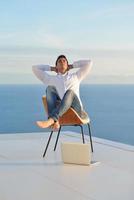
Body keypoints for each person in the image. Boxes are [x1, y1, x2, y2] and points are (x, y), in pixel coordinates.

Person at [32, 55, 93, 130]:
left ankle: (51, 119)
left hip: (76, 110)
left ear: (67, 65)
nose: (62, 62)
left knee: (70, 92)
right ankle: (55, 121)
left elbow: (89, 63)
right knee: (49, 88)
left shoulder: (76, 76)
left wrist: (72, 66)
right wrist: (51, 68)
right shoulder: (51, 79)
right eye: (59, 61)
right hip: (62, 111)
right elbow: (34, 68)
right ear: (56, 66)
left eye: (64, 61)